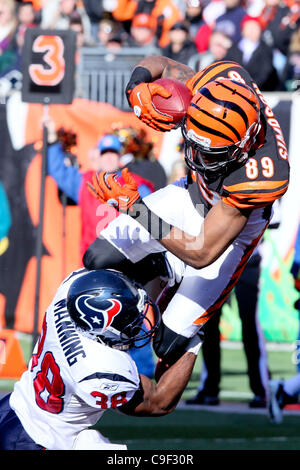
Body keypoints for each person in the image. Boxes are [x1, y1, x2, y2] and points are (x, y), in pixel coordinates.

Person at [82, 56, 290, 375]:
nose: (198, 155)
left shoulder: (262, 175)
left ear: (242, 147)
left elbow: (202, 252)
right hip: (190, 194)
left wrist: (136, 209)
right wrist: (137, 85)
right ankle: (163, 264)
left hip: (225, 238)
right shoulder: (220, 83)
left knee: (167, 344)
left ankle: (176, 279)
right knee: (98, 258)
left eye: (211, 151)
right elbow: (161, 64)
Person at [0, 268, 202, 449]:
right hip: (37, 440)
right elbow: (159, 402)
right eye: (129, 318)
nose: (137, 320)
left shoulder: (72, 290)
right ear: (105, 329)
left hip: (14, 406)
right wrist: (195, 335)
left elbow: (110, 276)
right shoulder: (100, 369)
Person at [224, 14, 279, 91]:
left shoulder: (266, 50)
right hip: (235, 90)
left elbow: (265, 72)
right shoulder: (234, 48)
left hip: (260, 90)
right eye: (249, 27)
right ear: (243, 30)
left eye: (255, 27)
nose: (252, 31)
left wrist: (250, 87)